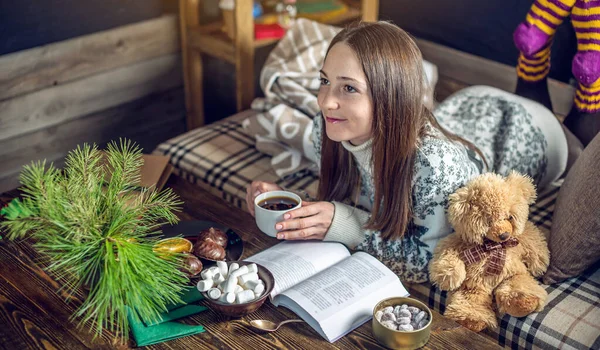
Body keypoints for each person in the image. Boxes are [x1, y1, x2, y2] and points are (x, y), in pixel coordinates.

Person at [245, 21, 572, 283]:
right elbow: (351, 191)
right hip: (472, 103)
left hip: (531, 130)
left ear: (391, 96)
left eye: (348, 88)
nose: (326, 101)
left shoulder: (433, 164)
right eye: (324, 81)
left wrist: (350, 226)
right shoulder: (327, 126)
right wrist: (289, 201)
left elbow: (436, 260)